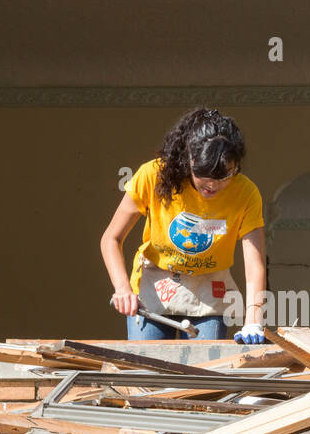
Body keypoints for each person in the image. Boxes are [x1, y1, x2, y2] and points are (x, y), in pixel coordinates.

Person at [100, 108, 267, 343]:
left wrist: (253, 320)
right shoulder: (152, 176)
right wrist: (122, 288)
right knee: (149, 374)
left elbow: (254, 266)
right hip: (155, 286)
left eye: (224, 176)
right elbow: (111, 239)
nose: (213, 185)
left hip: (209, 289)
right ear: (188, 159)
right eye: (204, 175)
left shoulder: (246, 193)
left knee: (203, 373)